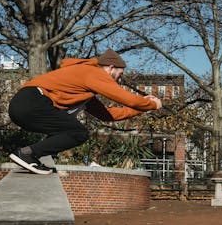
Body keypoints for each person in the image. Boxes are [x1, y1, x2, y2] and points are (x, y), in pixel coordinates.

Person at [8, 49, 162, 174]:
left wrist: (140, 110)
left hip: (22, 107)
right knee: (78, 132)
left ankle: (30, 155)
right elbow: (126, 98)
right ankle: (27, 154)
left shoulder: (84, 89)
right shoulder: (93, 72)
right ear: (111, 68)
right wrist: (150, 104)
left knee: (71, 130)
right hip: (32, 101)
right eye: (119, 75)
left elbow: (107, 115)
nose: (118, 80)